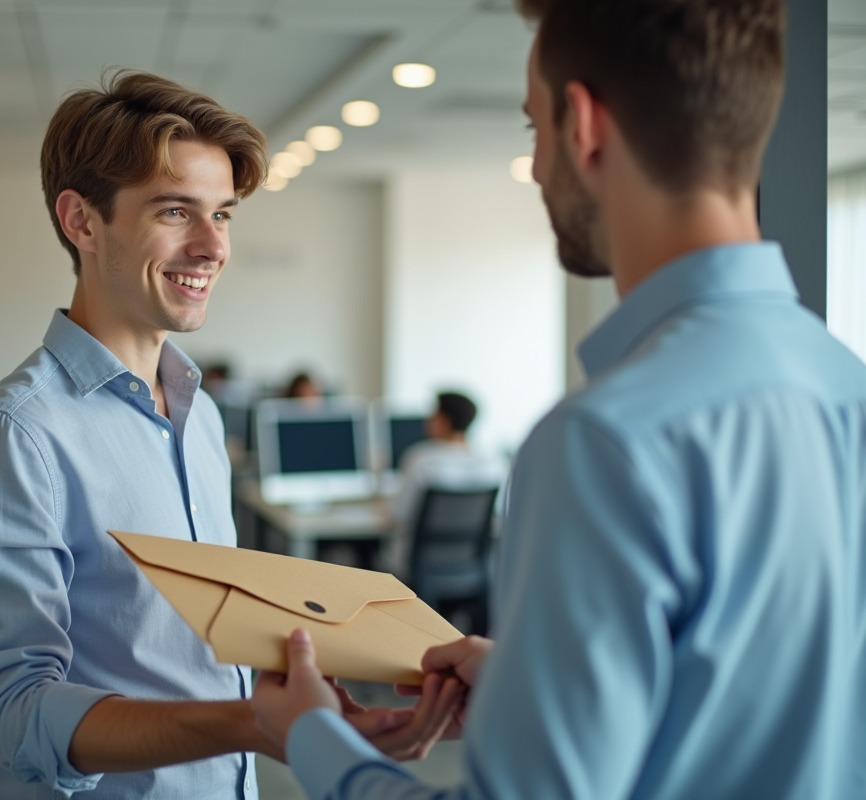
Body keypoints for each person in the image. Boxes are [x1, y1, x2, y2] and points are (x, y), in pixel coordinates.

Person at [251, 1, 866, 798]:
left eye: (533, 129)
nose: (537, 169)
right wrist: (534, 684)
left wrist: (312, 736)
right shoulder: (846, 386)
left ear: (584, 124)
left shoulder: (608, 439)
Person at [0, 70, 452, 800]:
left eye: (223, 215)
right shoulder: (16, 438)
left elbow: (181, 646)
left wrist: (297, 701)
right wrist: (249, 724)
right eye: (175, 211)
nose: (212, 247)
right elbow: (13, 719)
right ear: (82, 222)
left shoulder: (198, 414)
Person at [384, 392, 508, 583]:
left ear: (443, 420)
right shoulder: (494, 462)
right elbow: (500, 517)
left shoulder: (421, 460)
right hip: (473, 565)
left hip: (417, 568)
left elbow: (398, 516)